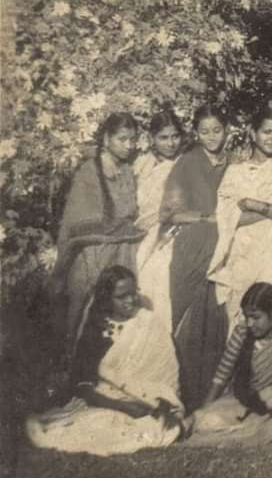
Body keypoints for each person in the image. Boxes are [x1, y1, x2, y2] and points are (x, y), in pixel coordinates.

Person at [26, 266, 182, 456]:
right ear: (107, 298)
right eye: (121, 296)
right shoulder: (96, 329)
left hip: (147, 402)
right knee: (94, 430)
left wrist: (161, 406)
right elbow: (82, 384)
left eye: (133, 293)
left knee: (159, 427)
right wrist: (122, 406)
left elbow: (165, 377)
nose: (130, 300)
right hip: (106, 401)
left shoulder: (149, 323)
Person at [50, 113, 145, 353]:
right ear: (106, 139)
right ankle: (74, 359)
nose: (129, 145)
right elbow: (78, 221)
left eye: (133, 139)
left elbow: (130, 212)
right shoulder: (90, 172)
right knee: (88, 297)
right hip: (91, 249)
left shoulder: (127, 170)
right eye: (122, 139)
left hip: (122, 248)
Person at [160, 104, 231, 412]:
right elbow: (171, 212)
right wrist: (207, 217)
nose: (212, 137)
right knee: (187, 324)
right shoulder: (187, 163)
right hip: (192, 249)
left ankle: (211, 398)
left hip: (224, 249)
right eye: (205, 132)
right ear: (196, 133)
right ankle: (185, 397)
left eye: (217, 130)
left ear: (227, 130)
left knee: (217, 321)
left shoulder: (234, 162)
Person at [183, 282, 272, 448]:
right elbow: (221, 376)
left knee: (253, 431)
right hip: (247, 398)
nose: (250, 323)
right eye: (247, 317)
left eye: (256, 317)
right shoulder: (242, 333)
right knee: (208, 421)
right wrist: (204, 411)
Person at [209, 108, 272, 323]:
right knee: (244, 318)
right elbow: (229, 219)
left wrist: (256, 205)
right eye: (267, 132)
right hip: (244, 254)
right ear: (253, 133)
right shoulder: (235, 172)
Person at [134, 110, 185, 329]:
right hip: (141, 231)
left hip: (171, 233)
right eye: (163, 138)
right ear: (152, 138)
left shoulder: (186, 164)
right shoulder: (142, 164)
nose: (171, 143)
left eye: (175, 136)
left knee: (156, 279)